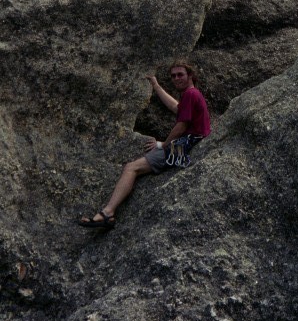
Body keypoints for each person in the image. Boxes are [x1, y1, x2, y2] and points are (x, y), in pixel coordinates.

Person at [78, 61, 210, 229]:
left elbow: (181, 125)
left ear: (190, 76)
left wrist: (163, 145)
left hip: (186, 145)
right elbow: (175, 107)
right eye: (173, 76)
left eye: (180, 75)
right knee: (133, 167)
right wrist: (156, 85)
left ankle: (108, 213)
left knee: (131, 167)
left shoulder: (191, 95)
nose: (176, 78)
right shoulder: (191, 94)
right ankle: (108, 213)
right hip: (193, 141)